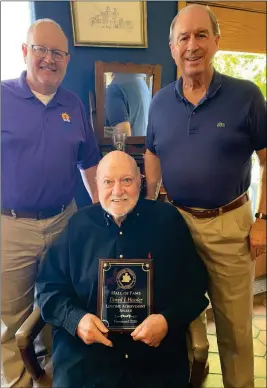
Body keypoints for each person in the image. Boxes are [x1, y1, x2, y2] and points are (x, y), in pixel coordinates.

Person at [144, 4, 266, 388]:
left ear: (216, 41)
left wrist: (263, 220)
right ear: (172, 47)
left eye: (201, 35)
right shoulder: (160, 100)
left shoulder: (246, 95)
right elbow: (151, 151)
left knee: (234, 331)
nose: (192, 46)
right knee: (179, 321)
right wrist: (150, 206)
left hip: (230, 226)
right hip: (177, 226)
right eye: (184, 37)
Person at [36, 151, 209, 388]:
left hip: (153, 356)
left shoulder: (167, 221)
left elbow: (195, 287)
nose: (118, 191)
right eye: (108, 182)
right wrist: (76, 321)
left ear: (140, 181)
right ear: (97, 185)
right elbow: (48, 290)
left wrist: (167, 321)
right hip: (88, 358)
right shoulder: (78, 226)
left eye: (126, 180)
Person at [1, 19, 100, 387]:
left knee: (59, 307)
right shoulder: (2, 96)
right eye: (41, 49)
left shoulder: (72, 105)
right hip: (10, 227)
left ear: (67, 59)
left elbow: (89, 162)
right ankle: (18, 382)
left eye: (57, 52)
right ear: (25, 51)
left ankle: (55, 379)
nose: (49, 59)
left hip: (63, 222)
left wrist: (100, 216)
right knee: (14, 319)